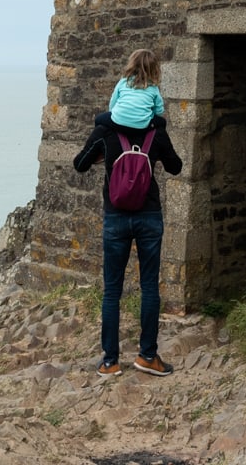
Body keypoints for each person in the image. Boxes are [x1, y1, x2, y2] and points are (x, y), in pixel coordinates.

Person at [72, 49, 182, 378]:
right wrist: (154, 148)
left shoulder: (107, 131)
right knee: (149, 288)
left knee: (112, 291)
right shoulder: (156, 132)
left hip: (116, 217)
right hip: (149, 216)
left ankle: (110, 362)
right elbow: (176, 168)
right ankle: (148, 357)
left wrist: (105, 155)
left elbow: (79, 164)